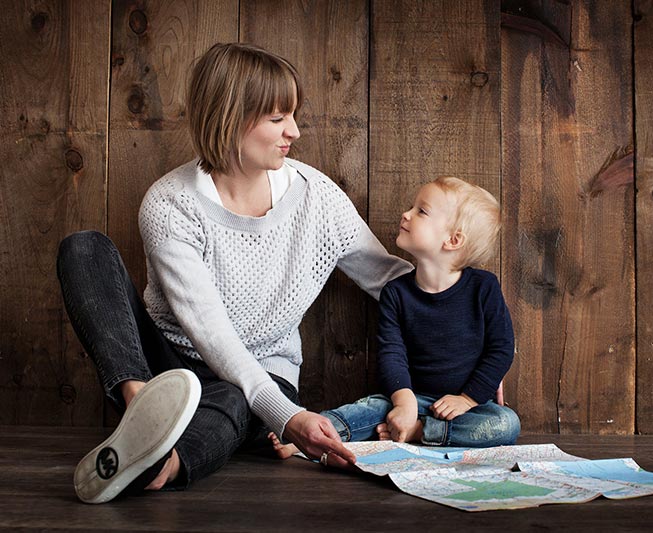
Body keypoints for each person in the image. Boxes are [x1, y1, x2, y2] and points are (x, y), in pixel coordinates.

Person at [56, 42, 412, 504]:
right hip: (166, 366)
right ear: (231, 117)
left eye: (293, 115)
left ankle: (161, 463)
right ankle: (142, 409)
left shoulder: (315, 197)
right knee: (84, 248)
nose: (295, 132)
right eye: (278, 118)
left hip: (261, 375)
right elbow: (210, 331)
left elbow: (389, 279)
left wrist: (471, 333)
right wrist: (288, 419)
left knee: (233, 398)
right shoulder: (170, 204)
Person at [271, 176, 519, 458]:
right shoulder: (397, 293)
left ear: (453, 240)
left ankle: (420, 432)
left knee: (506, 424)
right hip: (411, 397)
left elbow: (500, 349)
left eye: (421, 211)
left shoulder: (483, 288)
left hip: (466, 408)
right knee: (368, 410)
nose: (406, 214)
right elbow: (392, 352)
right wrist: (403, 402)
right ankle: (308, 436)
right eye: (412, 207)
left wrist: (468, 398)